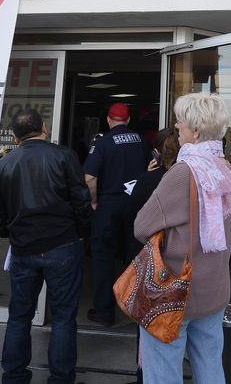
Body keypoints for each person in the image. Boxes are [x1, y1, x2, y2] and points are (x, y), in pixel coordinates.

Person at [133, 91, 231, 384]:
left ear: (195, 130)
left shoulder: (184, 172)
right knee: (209, 367)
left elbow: (141, 226)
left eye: (180, 122)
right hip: (213, 290)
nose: (175, 127)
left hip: (173, 293)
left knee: (163, 373)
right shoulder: (224, 168)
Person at [0, 108, 92, 384]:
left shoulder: (3, 166)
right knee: (64, 316)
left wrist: (14, 231)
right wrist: (81, 233)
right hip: (62, 246)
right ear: (44, 128)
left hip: (22, 250)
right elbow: (81, 201)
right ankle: (60, 379)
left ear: (14, 136)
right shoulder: (64, 155)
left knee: (19, 316)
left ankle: (14, 377)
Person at [83, 102, 152, 327]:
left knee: (103, 259)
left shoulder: (102, 143)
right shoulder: (142, 141)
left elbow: (89, 177)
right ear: (129, 120)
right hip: (135, 205)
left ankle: (105, 312)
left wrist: (93, 201)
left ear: (110, 120)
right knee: (134, 259)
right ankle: (136, 311)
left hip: (108, 205)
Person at [122, 127, 180, 384]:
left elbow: (129, 219)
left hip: (149, 261)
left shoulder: (149, 180)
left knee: (146, 320)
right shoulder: (187, 179)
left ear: (156, 152)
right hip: (177, 261)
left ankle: (144, 375)